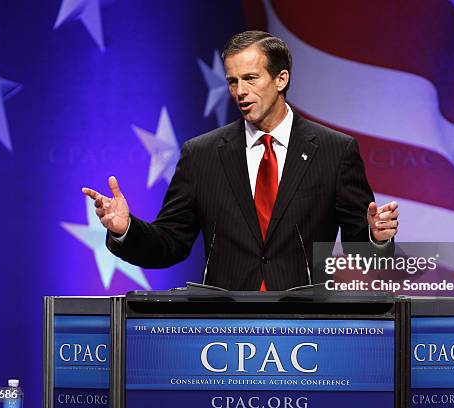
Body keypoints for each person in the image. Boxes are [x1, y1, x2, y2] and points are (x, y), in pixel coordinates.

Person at [82, 31, 399, 291]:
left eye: (251, 78)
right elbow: (170, 243)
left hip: (308, 324)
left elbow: (364, 252)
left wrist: (376, 237)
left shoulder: (334, 151)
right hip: (223, 332)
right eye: (233, 81)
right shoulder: (202, 154)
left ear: (281, 79)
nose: (240, 91)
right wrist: (125, 230)